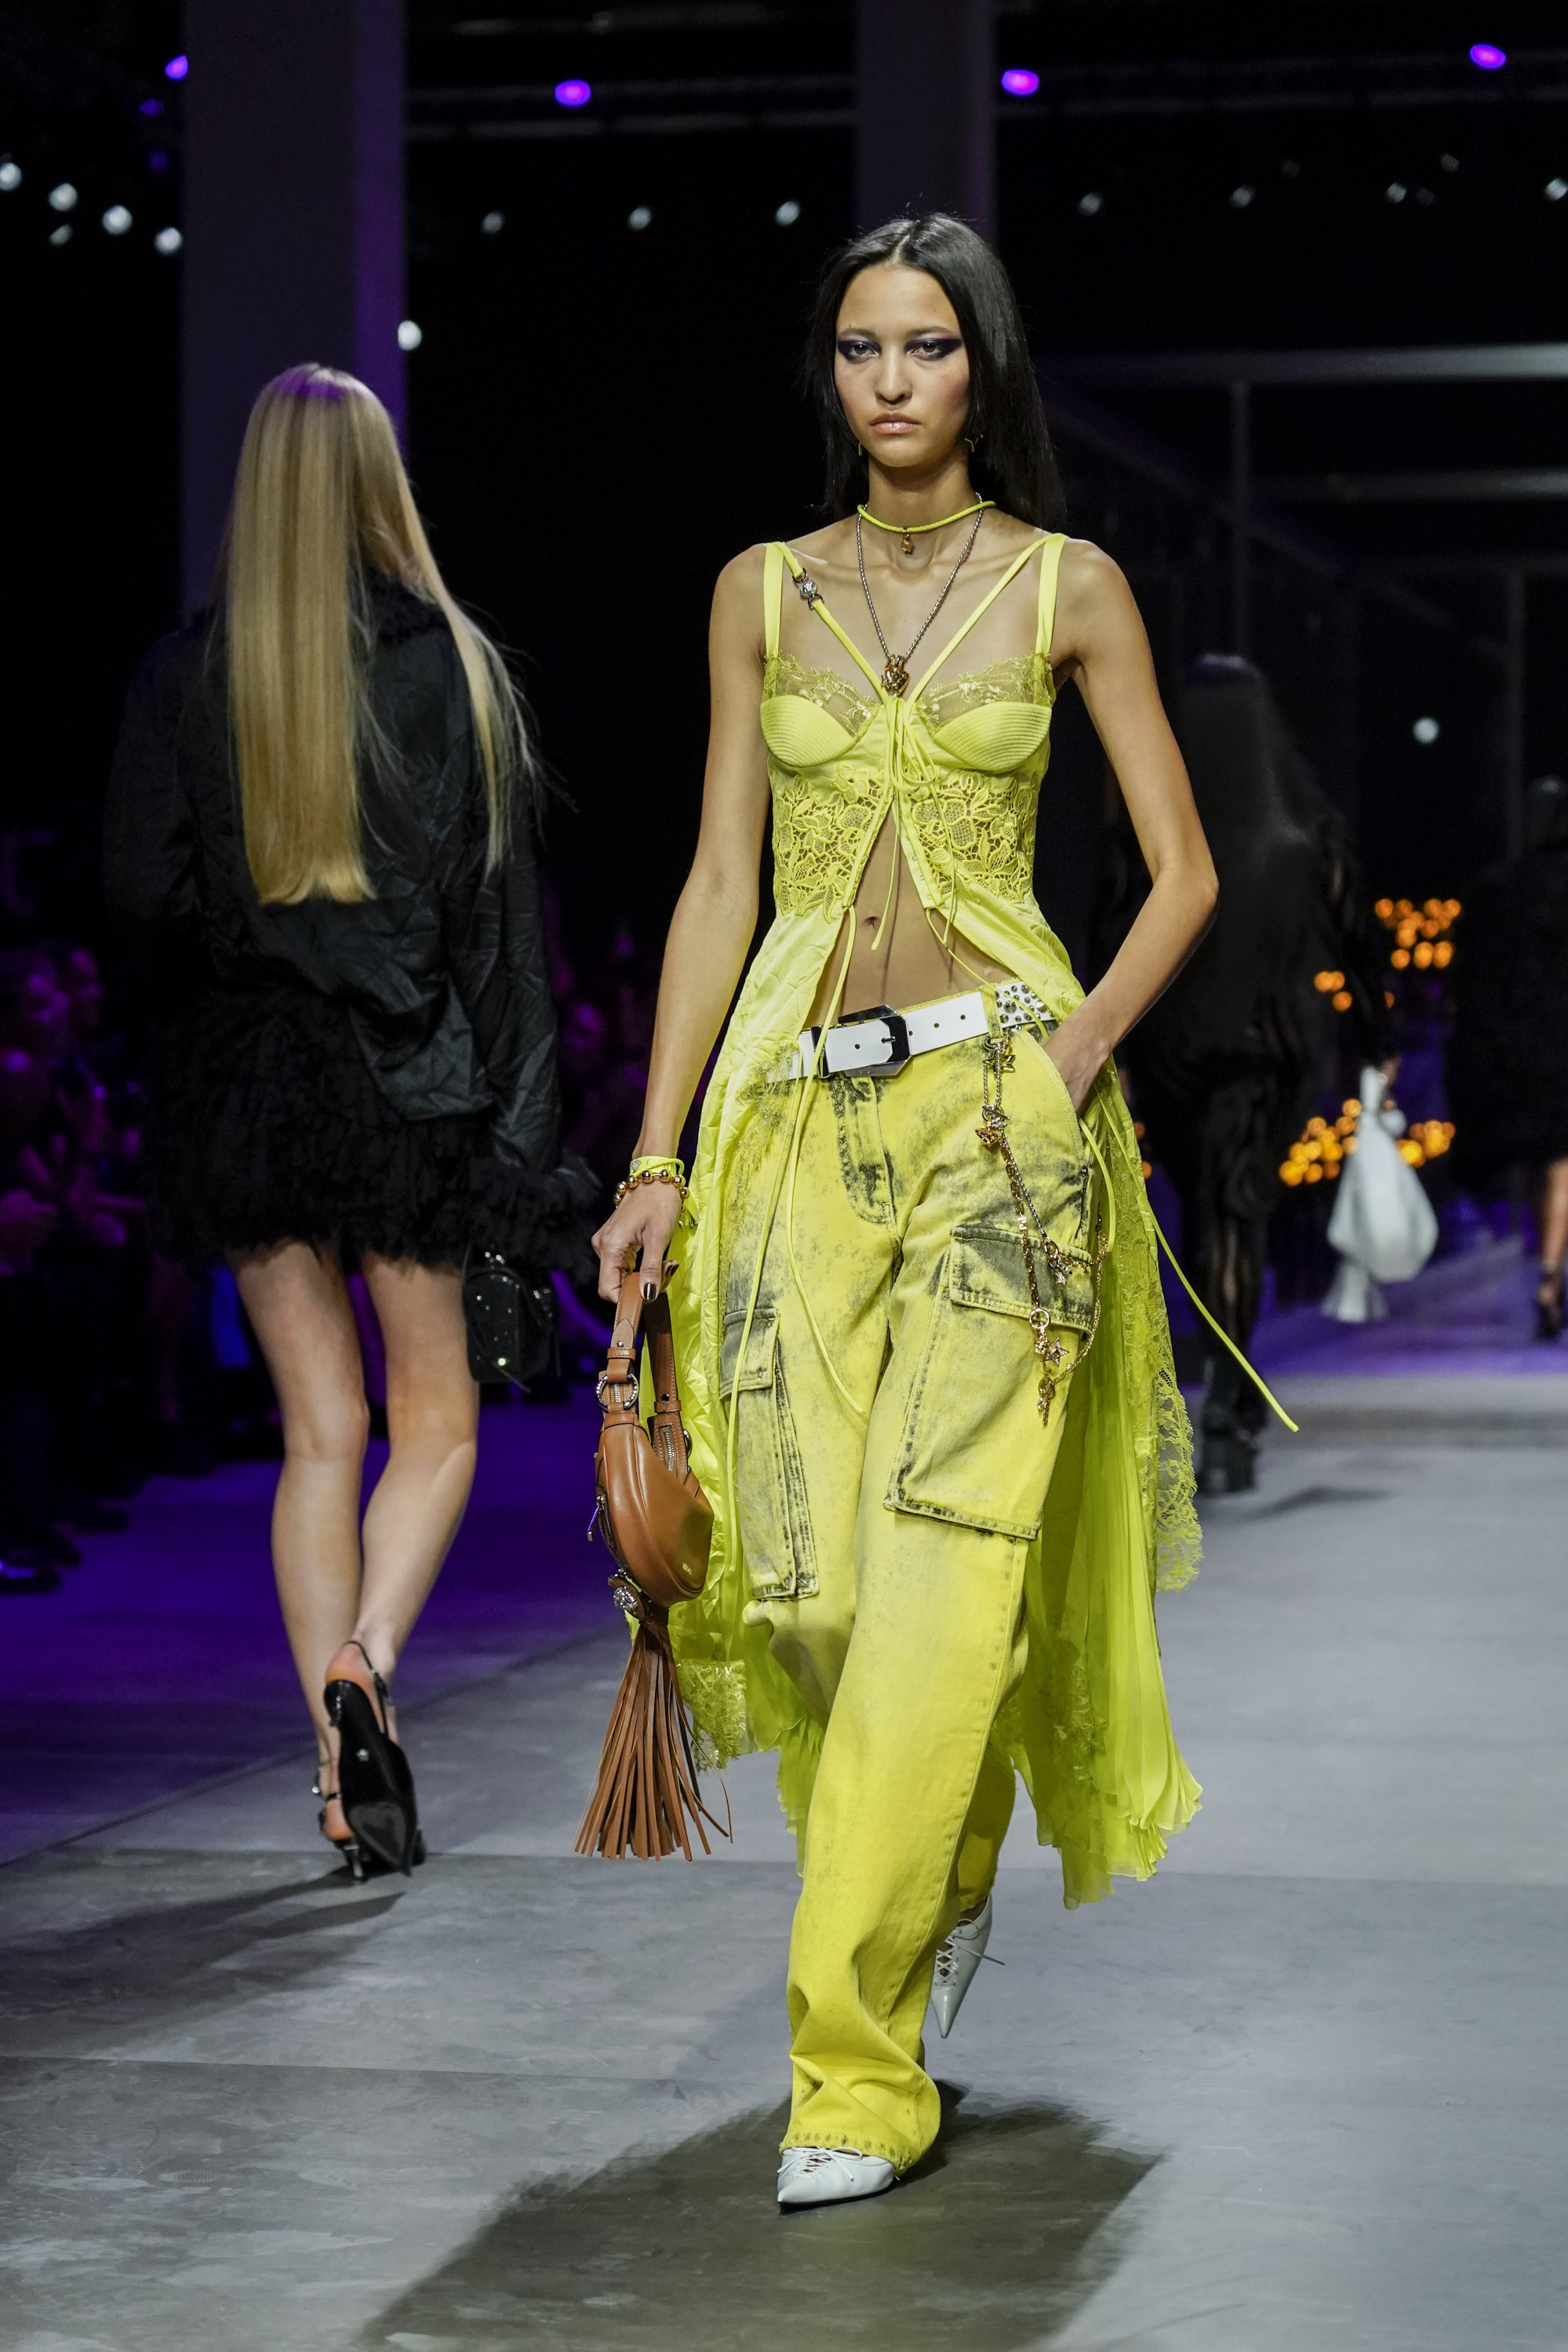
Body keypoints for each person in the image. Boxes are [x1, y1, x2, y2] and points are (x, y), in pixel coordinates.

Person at [590, 216, 1218, 2207]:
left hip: (1001, 1134)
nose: (886, 382)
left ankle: (850, 2075)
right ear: (830, 373)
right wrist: (652, 1152)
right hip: (783, 1126)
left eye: (925, 348)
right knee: (825, 1597)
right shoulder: (756, 596)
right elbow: (713, 884)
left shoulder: (1069, 588)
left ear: (980, 372)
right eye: (857, 346)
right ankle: (929, 1863)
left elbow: (1186, 872)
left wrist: (1065, 1064)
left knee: (942, 1581)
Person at [104, 364, 574, 1878]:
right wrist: (524, 1150)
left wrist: (244, 957)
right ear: (381, 486)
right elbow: (502, 937)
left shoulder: (189, 674)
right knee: (435, 1419)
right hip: (408, 1074)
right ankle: (366, 1659)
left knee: (319, 1432)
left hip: (251, 1081)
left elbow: (136, 895)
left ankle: (332, 1762)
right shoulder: (449, 669)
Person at [1097, 654, 1391, 1491]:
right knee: (1241, 1214)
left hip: (1177, 1049)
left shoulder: (1160, 834)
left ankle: (1223, 1389)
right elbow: (1358, 944)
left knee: (1202, 1214)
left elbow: (1109, 929)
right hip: (1273, 1051)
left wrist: (1111, 1045)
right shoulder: (1305, 830)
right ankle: (1230, 1397)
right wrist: (1377, 1039)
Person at [1446, 774, 1568, 1339]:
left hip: (1517, 1050)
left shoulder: (1499, 889)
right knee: (1560, 1165)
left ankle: (1546, 1265)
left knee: (1542, 1165)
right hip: (1557, 1045)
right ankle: (1548, 1273)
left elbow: (1470, 978)